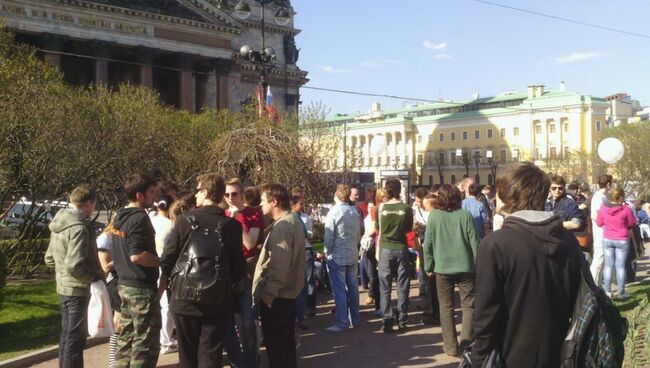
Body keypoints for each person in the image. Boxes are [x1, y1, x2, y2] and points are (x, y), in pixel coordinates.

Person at [471, 163, 583, 367]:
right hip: (559, 351)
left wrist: (479, 358)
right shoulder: (567, 240)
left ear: (508, 196)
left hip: (510, 354)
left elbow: (485, 314)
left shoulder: (496, 244)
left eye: (498, 191)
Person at [160, 173, 246, 368]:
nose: (195, 195)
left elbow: (168, 257)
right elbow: (238, 267)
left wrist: (167, 281)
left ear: (205, 193)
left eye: (197, 190)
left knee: (187, 353)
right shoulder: (232, 226)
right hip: (217, 299)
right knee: (211, 352)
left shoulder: (184, 220)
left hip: (185, 298)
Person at [45, 185, 103, 368]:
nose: (94, 208)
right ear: (88, 203)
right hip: (77, 289)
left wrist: (61, 274)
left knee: (67, 335)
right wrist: (93, 278)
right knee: (75, 339)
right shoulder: (79, 228)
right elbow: (74, 265)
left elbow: (49, 258)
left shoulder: (59, 223)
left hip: (63, 287)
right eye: (93, 204)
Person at [252, 184, 306, 368]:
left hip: (278, 298)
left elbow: (279, 267)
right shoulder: (292, 221)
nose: (260, 204)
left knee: (278, 352)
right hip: (285, 295)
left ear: (273, 201)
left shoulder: (283, 226)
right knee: (285, 350)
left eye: (262, 200)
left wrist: (268, 296)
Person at [111, 174, 161, 368]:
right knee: (144, 345)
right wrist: (163, 262)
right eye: (151, 192)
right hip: (140, 289)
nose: (154, 196)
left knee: (127, 340)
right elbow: (137, 255)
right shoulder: (139, 218)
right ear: (139, 195)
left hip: (124, 285)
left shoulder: (119, 216)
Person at [422, 184, 478, 357]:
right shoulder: (466, 216)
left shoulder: (434, 217)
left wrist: (428, 266)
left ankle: (451, 347)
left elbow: (428, 244)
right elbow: (474, 242)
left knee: (445, 308)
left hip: (442, 269)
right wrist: (479, 264)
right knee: (468, 306)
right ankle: (467, 344)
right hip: (466, 268)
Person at [223, 178, 264, 368]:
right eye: (226, 194)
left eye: (234, 194)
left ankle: (250, 362)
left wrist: (238, 218)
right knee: (228, 323)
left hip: (247, 268)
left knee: (247, 322)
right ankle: (236, 362)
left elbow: (249, 244)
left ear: (241, 194)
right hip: (226, 271)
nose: (230, 198)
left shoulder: (252, 214)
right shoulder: (221, 214)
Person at [323, 184, 362, 332]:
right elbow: (358, 234)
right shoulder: (354, 212)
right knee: (353, 288)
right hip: (352, 253)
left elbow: (328, 237)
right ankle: (355, 319)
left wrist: (327, 252)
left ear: (336, 195)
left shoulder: (334, 212)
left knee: (339, 290)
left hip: (337, 256)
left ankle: (342, 321)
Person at [376, 179, 413, 332]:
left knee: (385, 286)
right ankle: (402, 318)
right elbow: (408, 228)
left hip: (385, 248)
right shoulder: (405, 208)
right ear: (400, 190)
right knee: (403, 284)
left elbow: (379, 228)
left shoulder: (381, 207)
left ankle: (387, 319)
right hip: (401, 247)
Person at [597, 187, 637, 299]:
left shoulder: (603, 209)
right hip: (622, 239)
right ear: (620, 197)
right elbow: (632, 223)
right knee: (620, 266)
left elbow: (599, 223)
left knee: (608, 266)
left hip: (608, 239)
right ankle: (621, 292)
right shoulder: (626, 209)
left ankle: (608, 292)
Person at [149, 194, 177, 355]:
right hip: (164, 265)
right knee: (167, 304)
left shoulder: (150, 221)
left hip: (151, 264)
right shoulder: (170, 225)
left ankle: (162, 338)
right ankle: (165, 340)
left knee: (158, 303)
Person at [96, 214, 122, 368]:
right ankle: (113, 359)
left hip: (127, 280)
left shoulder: (122, 236)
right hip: (114, 281)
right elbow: (105, 266)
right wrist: (123, 257)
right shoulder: (105, 238)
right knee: (117, 322)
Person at [590, 174, 613, 287]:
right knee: (598, 261)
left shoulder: (602, 196)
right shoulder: (599, 197)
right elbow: (595, 215)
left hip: (604, 233)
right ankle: (592, 287)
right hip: (600, 234)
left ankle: (597, 288)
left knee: (601, 261)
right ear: (608, 184)